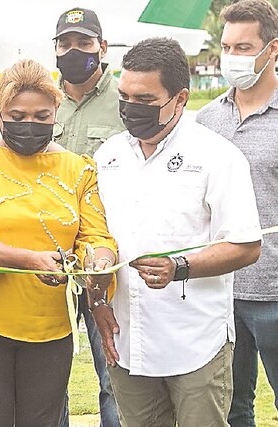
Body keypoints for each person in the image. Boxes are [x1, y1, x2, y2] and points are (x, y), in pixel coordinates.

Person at [92, 37, 262, 427]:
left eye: (145, 99)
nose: (130, 107)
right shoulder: (108, 156)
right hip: (127, 340)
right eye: (124, 96)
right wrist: (97, 299)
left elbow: (245, 245)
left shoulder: (217, 156)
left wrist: (180, 267)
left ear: (180, 98)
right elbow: (95, 239)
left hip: (195, 341)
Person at [0, 58, 117, 426]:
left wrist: (100, 263)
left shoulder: (80, 169)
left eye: (42, 116)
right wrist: (29, 260)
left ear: (56, 113)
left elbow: (96, 236)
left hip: (52, 322)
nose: (30, 124)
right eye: (17, 116)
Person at [195, 1, 278, 424]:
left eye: (244, 48)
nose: (232, 58)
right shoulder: (207, 120)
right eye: (227, 47)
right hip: (220, 290)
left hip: (274, 292)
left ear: (272, 50)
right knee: (231, 407)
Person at [52, 8, 124, 427]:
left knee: (114, 372)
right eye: (65, 44)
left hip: (105, 259)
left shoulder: (125, 102)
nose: (73, 51)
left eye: (83, 42)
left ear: (102, 47)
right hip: (50, 259)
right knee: (48, 378)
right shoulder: (43, 101)